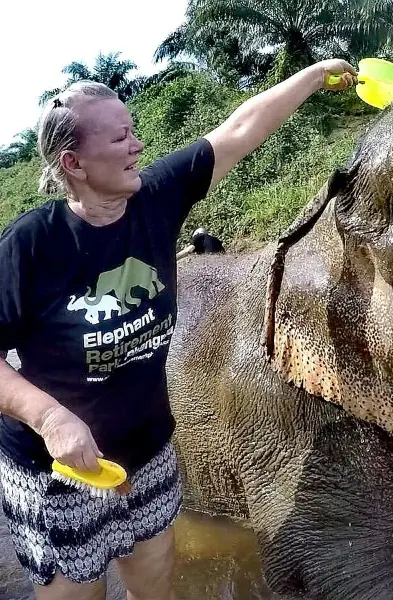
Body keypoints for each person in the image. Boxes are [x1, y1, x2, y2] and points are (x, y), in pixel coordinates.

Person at [0, 57, 357, 600]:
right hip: (58, 471)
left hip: (146, 449)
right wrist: (48, 416)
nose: (137, 145)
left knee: (156, 580)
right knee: (76, 594)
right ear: (73, 162)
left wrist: (314, 76)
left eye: (134, 131)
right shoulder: (32, 244)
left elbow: (240, 129)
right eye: (120, 137)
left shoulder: (155, 200)